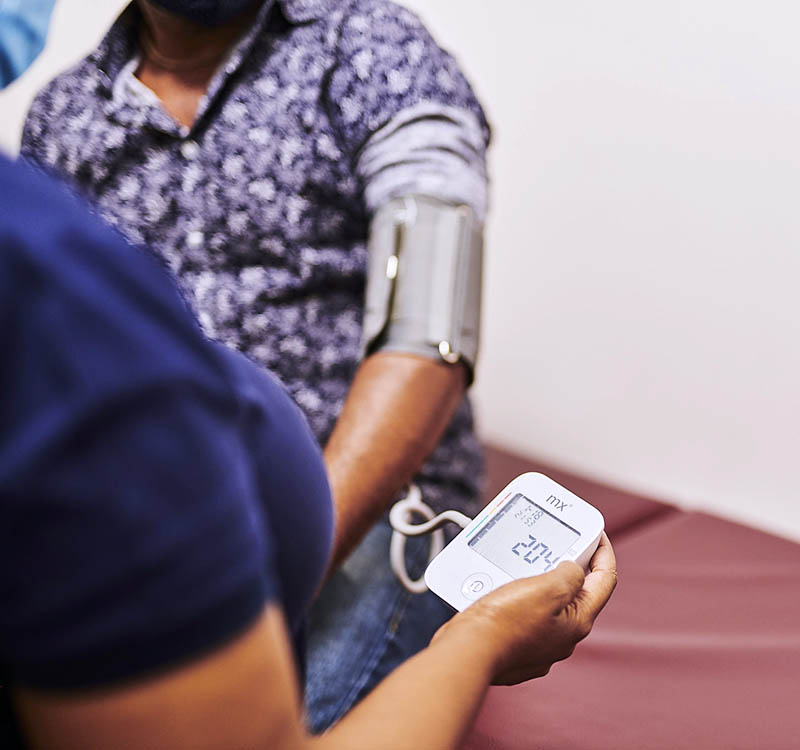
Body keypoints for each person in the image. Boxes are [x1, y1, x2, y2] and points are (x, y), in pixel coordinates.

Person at [1, 4, 617, 749]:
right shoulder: (65, 114)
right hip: (139, 523)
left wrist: (266, 571)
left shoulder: (370, 48)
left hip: (371, 519)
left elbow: (428, 333)